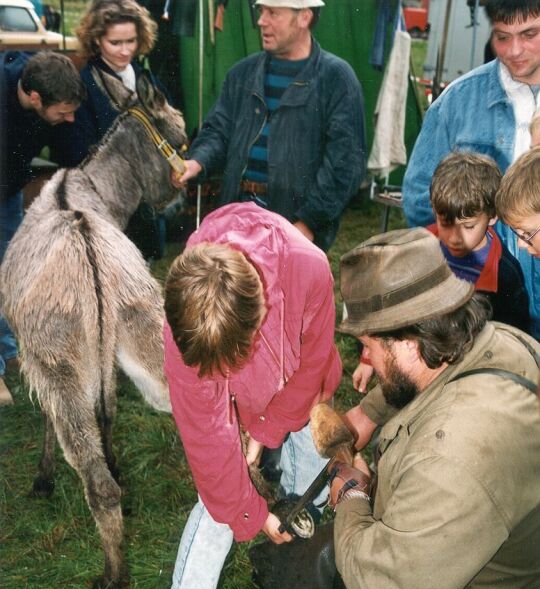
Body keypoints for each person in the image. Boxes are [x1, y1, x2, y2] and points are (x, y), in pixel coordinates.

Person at [329, 227, 540, 589]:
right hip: (492, 557)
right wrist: (371, 410)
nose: (362, 358)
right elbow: (416, 379)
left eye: (369, 345)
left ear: (413, 341)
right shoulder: (489, 335)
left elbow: (384, 582)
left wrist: (352, 495)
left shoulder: (460, 449)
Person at [159, 201, 342, 589]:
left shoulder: (309, 269)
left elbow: (312, 364)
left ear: (257, 317)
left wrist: (269, 428)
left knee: (311, 482)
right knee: (222, 488)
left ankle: (298, 561)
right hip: (237, 395)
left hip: (299, 384)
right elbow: (207, 446)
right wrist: (250, 511)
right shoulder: (187, 323)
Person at [175, 0, 366, 253]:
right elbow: (218, 131)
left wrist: (308, 223)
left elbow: (345, 163)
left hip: (294, 227)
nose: (261, 21)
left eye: (273, 13)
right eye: (261, 11)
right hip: (236, 218)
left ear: (304, 18)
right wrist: (196, 161)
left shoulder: (336, 79)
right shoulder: (241, 74)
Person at [402, 0, 540, 339]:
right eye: (502, 37)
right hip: (485, 309)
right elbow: (420, 200)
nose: (515, 50)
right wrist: (474, 253)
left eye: (530, 34)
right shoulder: (457, 102)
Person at [0, 50, 85, 406]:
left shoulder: (49, 82)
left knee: (12, 271)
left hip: (8, 191)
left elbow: (72, 152)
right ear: (35, 98)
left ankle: (7, 350)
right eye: (63, 112)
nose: (70, 119)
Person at [54, 0, 166, 259]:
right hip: (102, 210)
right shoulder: (82, 86)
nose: (125, 51)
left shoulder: (146, 78)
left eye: (131, 41)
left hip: (143, 210)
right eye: (115, 43)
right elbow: (73, 154)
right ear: (96, 41)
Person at [427, 151, 530, 332]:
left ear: (492, 216)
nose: (454, 238)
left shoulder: (505, 275)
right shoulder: (419, 247)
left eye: (468, 227)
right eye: (445, 223)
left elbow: (513, 337)